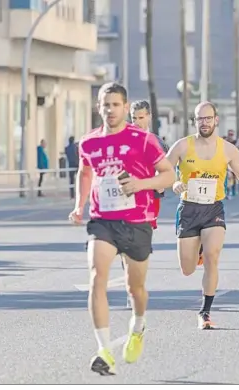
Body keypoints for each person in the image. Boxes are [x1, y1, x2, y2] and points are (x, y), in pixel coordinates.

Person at [68, 82, 175, 375]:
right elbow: (85, 172)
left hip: (137, 221)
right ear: (98, 107)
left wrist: (141, 184)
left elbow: (168, 175)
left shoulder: (143, 140)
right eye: (105, 105)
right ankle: (103, 350)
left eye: (116, 104)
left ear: (126, 107)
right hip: (103, 220)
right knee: (96, 277)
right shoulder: (88, 142)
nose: (110, 110)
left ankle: (138, 325)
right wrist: (80, 205)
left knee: (135, 287)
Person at [166, 101, 239, 329]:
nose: (204, 123)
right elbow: (164, 171)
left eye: (208, 118)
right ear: (195, 121)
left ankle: (205, 312)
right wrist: (175, 182)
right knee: (187, 269)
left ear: (216, 120)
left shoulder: (227, 149)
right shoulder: (182, 146)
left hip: (213, 208)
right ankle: (199, 251)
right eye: (200, 119)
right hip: (188, 209)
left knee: (213, 256)